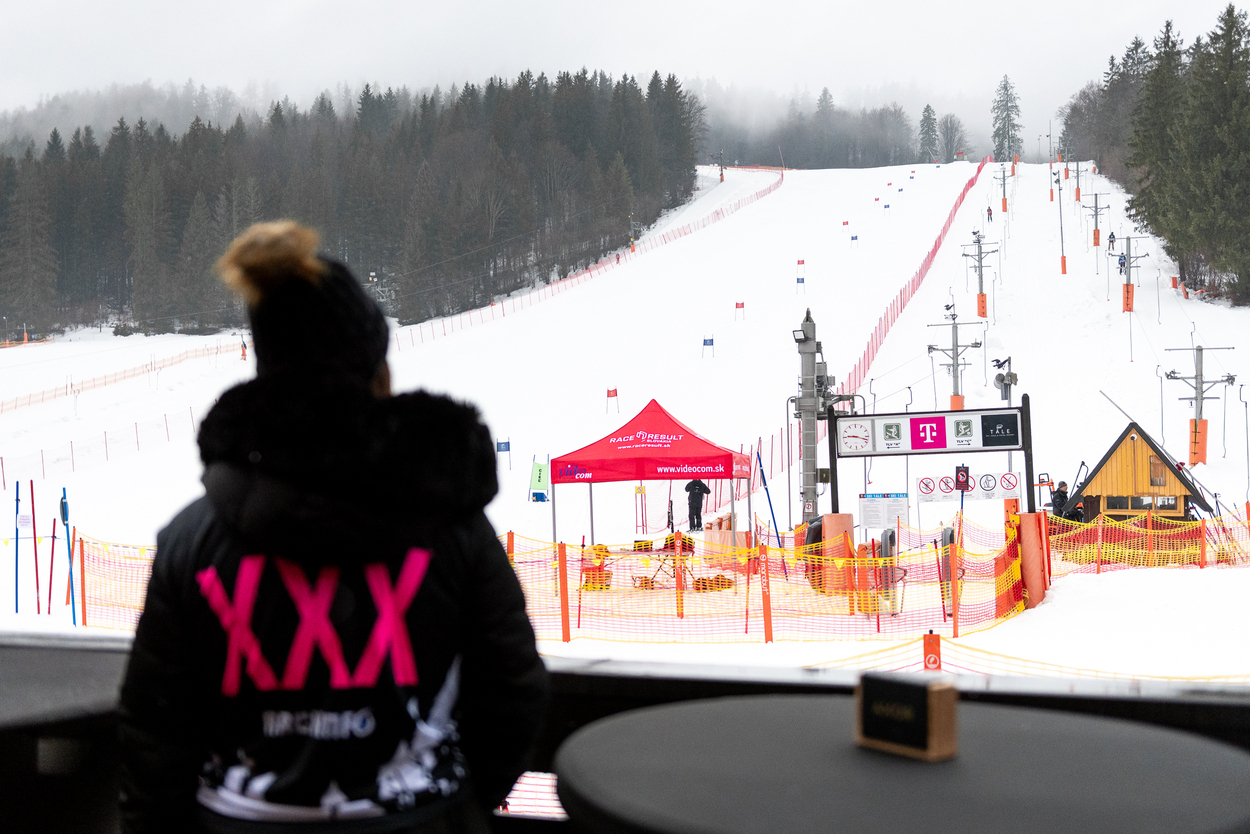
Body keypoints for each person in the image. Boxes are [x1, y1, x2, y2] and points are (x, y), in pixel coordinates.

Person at [118, 221, 548, 833]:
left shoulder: (193, 539)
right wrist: (454, 809)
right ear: (374, 373)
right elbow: (511, 690)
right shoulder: (451, 524)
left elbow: (155, 728)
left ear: (268, 373)